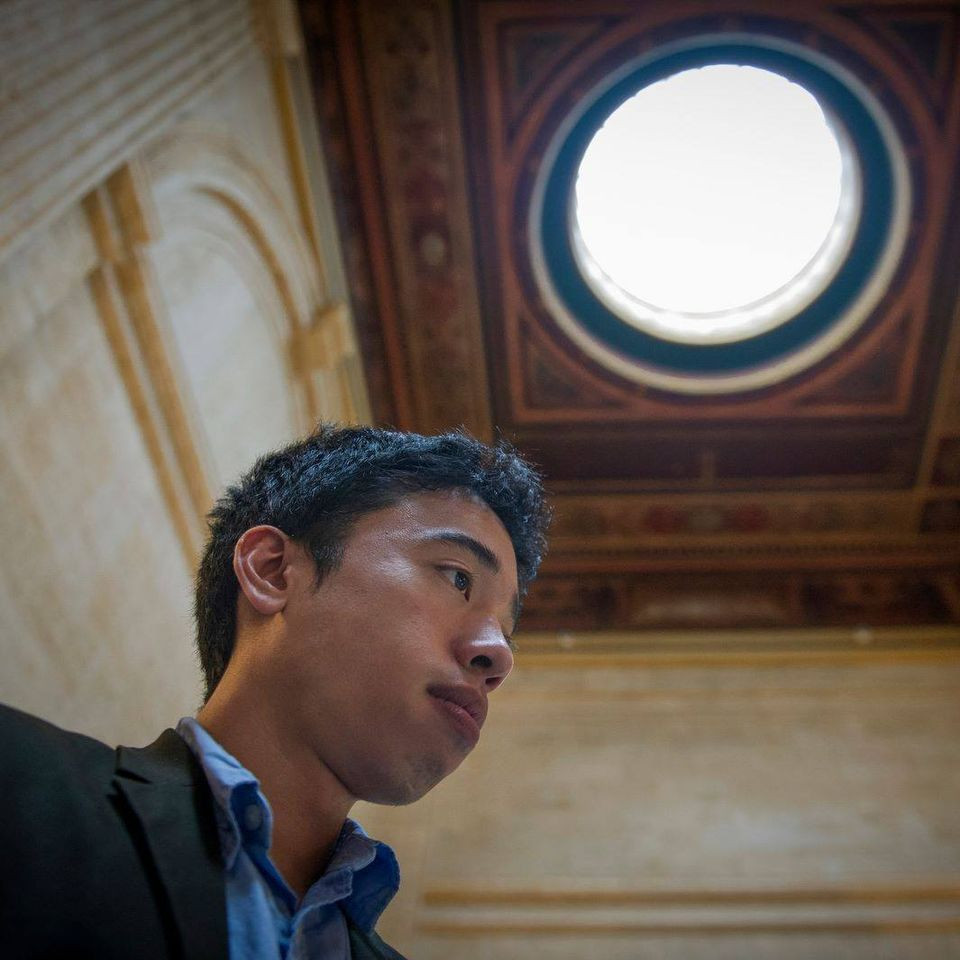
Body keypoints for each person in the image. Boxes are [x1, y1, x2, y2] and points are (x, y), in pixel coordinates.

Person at [0, 424, 549, 960]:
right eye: (458, 578)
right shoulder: (18, 783)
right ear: (273, 571)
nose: (498, 657)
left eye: (506, 634)